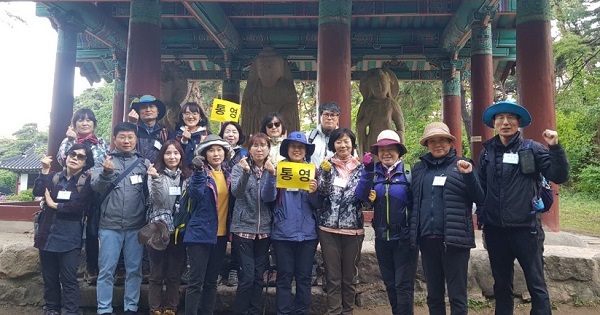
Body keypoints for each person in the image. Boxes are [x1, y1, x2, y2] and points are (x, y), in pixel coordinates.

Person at [477, 101, 569, 315]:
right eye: (500, 118)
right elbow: (481, 188)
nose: (505, 122)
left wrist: (555, 147)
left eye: (511, 118)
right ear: (494, 123)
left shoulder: (533, 148)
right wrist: (483, 216)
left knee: (535, 282)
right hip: (495, 230)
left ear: (519, 122)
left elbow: (559, 175)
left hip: (526, 229)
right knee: (501, 285)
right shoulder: (487, 153)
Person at [410, 122, 485, 315]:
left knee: (457, 295)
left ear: (450, 143)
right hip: (428, 239)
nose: (438, 144)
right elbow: (413, 202)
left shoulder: (463, 165)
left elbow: (479, 198)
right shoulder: (419, 169)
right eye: (432, 141)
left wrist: (468, 175)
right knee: (433, 295)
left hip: (455, 240)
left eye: (442, 140)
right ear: (426, 144)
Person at [355, 130, 417, 315]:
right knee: (390, 283)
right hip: (382, 238)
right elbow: (360, 196)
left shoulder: (409, 174)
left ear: (399, 151)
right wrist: (367, 172)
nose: (386, 153)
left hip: (404, 239)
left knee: (403, 285)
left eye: (391, 149)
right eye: (382, 149)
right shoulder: (374, 175)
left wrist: (413, 233)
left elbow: (417, 205)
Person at [91, 122, 150, 315]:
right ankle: (104, 308)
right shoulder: (103, 161)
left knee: (134, 270)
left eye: (130, 137)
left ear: (136, 139)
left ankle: (131, 307)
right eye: (122, 137)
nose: (126, 141)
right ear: (114, 139)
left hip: (136, 225)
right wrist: (107, 173)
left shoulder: (143, 164)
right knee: (106, 270)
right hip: (109, 225)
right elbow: (96, 187)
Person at [33, 144, 94, 315]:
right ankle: (52, 308)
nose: (75, 158)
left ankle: (71, 311)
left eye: (80, 156)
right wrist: (45, 170)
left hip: (69, 238)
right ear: (66, 156)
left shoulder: (86, 181)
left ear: (85, 162)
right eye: (72, 154)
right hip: (47, 234)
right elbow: (38, 191)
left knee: (69, 279)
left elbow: (80, 205)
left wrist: (55, 205)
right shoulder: (54, 177)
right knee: (50, 278)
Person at [56, 108, 109, 285]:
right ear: (74, 123)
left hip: (94, 191)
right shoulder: (68, 141)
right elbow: (61, 159)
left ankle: (91, 266)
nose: (85, 123)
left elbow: (106, 164)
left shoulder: (101, 143)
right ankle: (69, 264)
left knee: (93, 229)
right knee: (73, 225)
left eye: (88, 120)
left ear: (94, 124)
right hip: (73, 189)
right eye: (80, 120)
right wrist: (71, 141)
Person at [316, 128, 365, 315]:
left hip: (353, 229)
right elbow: (322, 191)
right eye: (338, 142)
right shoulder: (326, 165)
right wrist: (327, 173)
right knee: (333, 276)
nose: (343, 145)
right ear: (333, 145)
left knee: (349, 277)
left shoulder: (361, 167)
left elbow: (366, 200)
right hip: (328, 228)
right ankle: (334, 312)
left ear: (352, 143)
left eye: (346, 141)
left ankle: (348, 311)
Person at [271, 131, 320, 315]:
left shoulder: (313, 171)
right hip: (282, 232)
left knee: (304, 277)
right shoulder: (278, 170)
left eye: (301, 147)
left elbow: (318, 204)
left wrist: (314, 192)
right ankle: (283, 312)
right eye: (293, 146)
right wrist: (271, 180)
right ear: (287, 149)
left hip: (307, 233)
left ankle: (302, 312)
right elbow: (269, 199)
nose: (297, 150)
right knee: (284, 277)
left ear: (306, 150)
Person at [184, 135, 233, 315]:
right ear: (204, 154)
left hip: (220, 235)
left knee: (212, 281)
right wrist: (197, 172)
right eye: (211, 150)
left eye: (219, 149)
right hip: (200, 234)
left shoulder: (229, 174)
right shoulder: (201, 174)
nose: (216, 153)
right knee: (196, 282)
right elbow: (195, 194)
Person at [230, 133, 277, 315]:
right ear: (249, 149)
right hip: (243, 229)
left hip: (264, 230)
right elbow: (237, 193)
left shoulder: (273, 168)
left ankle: (255, 311)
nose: (259, 149)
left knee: (259, 276)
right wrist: (246, 173)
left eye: (263, 145)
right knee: (248, 276)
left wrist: (271, 175)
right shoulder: (238, 167)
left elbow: (269, 197)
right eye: (255, 146)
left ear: (268, 149)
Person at [146, 140, 192, 315]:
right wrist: (156, 180)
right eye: (168, 153)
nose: (172, 157)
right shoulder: (154, 174)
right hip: (158, 228)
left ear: (181, 156)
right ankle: (155, 309)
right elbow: (157, 200)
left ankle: (171, 308)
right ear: (162, 155)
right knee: (156, 274)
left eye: (176, 153)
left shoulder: (187, 177)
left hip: (178, 230)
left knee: (174, 273)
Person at [218, 121, 248, 286]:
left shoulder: (244, 153)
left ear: (239, 135)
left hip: (237, 198)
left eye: (234, 132)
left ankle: (234, 268)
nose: (230, 134)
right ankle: (217, 268)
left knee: (236, 233)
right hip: (219, 197)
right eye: (227, 131)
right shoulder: (216, 151)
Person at [128, 94, 169, 163]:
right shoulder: (134, 129)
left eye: (151, 106)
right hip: (135, 170)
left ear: (158, 111)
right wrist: (132, 124)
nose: (148, 110)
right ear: (139, 112)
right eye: (144, 107)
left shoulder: (164, 132)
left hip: (157, 171)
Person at [173, 102, 211, 167]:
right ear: (182, 116)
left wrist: (203, 146)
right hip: (182, 173)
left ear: (200, 117)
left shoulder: (207, 134)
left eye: (194, 114)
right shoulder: (175, 135)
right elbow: (172, 155)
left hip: (203, 173)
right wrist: (183, 141)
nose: (190, 117)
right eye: (187, 113)